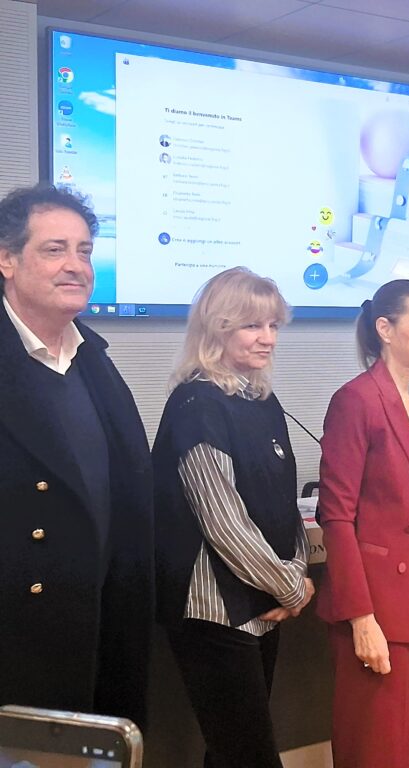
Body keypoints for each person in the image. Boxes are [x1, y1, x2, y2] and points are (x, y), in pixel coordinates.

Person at [0, 184, 152, 727]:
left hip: (102, 633)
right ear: (7, 260)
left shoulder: (94, 360)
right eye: (54, 249)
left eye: (85, 250)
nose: (76, 266)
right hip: (20, 645)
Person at [152, 267, 315, 768]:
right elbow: (224, 522)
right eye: (252, 326)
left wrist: (298, 573)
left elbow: (281, 504)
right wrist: (291, 587)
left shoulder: (260, 400)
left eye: (273, 326)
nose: (267, 338)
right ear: (217, 328)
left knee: (232, 753)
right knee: (250, 756)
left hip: (260, 604)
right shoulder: (197, 404)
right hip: (214, 611)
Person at [318, 279, 409, 768]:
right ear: (385, 329)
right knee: (376, 748)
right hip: (375, 607)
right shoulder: (355, 401)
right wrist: (361, 619)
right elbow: (336, 516)